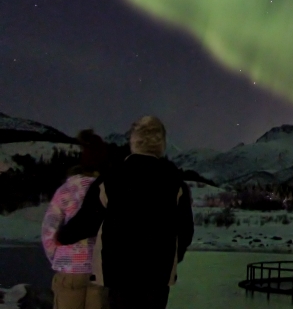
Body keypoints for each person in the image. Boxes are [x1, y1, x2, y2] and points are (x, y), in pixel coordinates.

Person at [57, 116, 194, 309]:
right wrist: (173, 257)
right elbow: (186, 231)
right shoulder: (175, 183)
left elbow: (88, 220)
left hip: (119, 273)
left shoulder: (112, 178)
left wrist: (63, 235)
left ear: (134, 142)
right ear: (161, 144)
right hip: (157, 275)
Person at [41, 129, 109, 309]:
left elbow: (49, 229)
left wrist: (57, 258)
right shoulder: (108, 192)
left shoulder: (66, 190)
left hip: (69, 270)